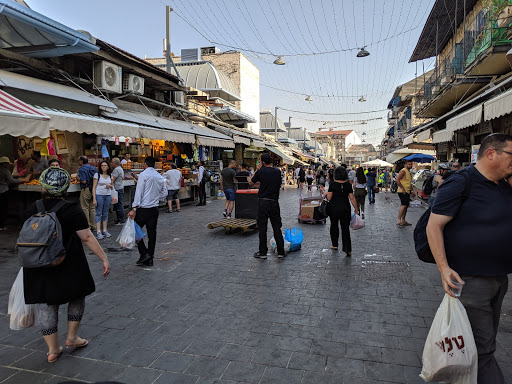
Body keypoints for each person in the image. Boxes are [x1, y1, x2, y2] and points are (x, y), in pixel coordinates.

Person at [426, 133, 512, 383]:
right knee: (482, 349)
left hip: (498, 278)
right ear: (491, 153)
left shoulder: (503, 185)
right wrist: (443, 268)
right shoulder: (461, 182)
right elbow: (434, 227)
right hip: (470, 281)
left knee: (483, 342)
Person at [24, 167, 110, 363]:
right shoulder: (72, 209)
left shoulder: (32, 208)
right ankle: (72, 338)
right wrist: (103, 257)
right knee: (76, 297)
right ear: (66, 187)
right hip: (69, 262)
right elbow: (87, 237)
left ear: (43, 186)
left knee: (47, 303)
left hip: (38, 263)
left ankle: (53, 350)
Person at [127, 156, 167, 267]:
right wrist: (156, 198)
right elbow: (164, 193)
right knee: (152, 234)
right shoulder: (159, 176)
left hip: (143, 209)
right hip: (154, 209)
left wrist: (134, 208)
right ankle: (150, 257)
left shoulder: (143, 175)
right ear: (154, 165)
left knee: (134, 230)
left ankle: (144, 253)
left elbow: (138, 192)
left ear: (145, 164)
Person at [249, 153, 285, 259]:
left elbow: (251, 182)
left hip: (263, 202)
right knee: (277, 227)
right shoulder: (277, 171)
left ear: (263, 162)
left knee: (262, 227)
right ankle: (281, 252)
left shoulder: (260, 171)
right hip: (274, 202)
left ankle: (263, 252)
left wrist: (257, 169)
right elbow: (277, 184)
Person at [323, 166, 358, 256]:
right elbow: (352, 198)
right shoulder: (348, 185)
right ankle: (347, 249)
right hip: (345, 209)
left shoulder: (332, 185)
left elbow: (329, 197)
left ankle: (335, 244)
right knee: (345, 229)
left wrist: (324, 193)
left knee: (334, 226)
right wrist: (356, 208)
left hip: (333, 209)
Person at [0, 157, 30, 230]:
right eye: (6, 163)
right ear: (4, 163)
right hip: (3, 191)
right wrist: (23, 180)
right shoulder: (5, 171)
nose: (7, 165)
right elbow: (12, 181)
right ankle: (1, 225)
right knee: (3, 208)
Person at [92, 161, 113, 240]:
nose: (103, 167)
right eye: (102, 165)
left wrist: (109, 186)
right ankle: (98, 231)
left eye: (105, 165)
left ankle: (105, 230)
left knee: (105, 213)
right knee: (98, 212)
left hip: (108, 195)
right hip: (99, 195)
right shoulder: (97, 175)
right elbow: (94, 187)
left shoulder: (110, 175)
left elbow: (112, 186)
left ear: (108, 167)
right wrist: (94, 198)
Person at [78, 156, 97, 230]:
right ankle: (94, 225)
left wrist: (78, 178)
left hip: (86, 189)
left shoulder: (82, 169)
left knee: (85, 207)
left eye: (78, 161)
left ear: (81, 161)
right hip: (93, 189)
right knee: (92, 208)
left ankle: (87, 225)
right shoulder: (93, 168)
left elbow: (84, 181)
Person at [396, 159, 414, 226]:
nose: (410, 165)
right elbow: (397, 180)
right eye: (409, 164)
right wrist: (402, 188)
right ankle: (398, 220)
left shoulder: (408, 172)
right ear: (406, 164)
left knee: (406, 206)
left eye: (411, 164)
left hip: (407, 191)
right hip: (402, 191)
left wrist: (412, 191)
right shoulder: (403, 171)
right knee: (403, 205)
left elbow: (409, 182)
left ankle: (403, 220)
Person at [110, 158, 125, 224]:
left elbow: (112, 180)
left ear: (115, 163)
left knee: (118, 205)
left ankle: (121, 220)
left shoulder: (116, 170)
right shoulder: (120, 169)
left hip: (117, 189)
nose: (111, 163)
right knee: (118, 204)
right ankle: (120, 219)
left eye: (112, 162)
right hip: (120, 188)